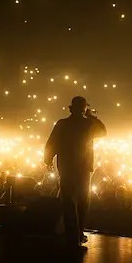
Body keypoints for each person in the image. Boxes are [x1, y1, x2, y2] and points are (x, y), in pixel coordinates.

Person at [44, 96, 107, 247]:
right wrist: (92, 117)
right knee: (83, 201)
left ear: (71, 108)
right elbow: (103, 132)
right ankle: (78, 232)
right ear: (84, 108)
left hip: (66, 167)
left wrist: (48, 160)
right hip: (84, 167)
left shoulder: (62, 124)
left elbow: (51, 142)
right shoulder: (88, 124)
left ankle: (72, 234)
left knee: (68, 201)